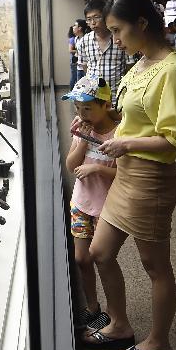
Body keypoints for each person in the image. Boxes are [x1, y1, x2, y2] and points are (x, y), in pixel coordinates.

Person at [82, 0, 176, 350]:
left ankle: (160, 345)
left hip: (151, 178)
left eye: (118, 30)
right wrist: (96, 121)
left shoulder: (172, 69)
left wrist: (127, 142)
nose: (114, 38)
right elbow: (129, 115)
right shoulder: (140, 64)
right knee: (100, 252)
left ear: (142, 25)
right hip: (127, 174)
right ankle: (120, 324)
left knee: (155, 265)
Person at [63, 74, 118, 332]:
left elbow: (125, 174)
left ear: (105, 105)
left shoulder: (119, 133)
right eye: (77, 108)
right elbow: (71, 165)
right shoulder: (82, 130)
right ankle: (93, 307)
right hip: (81, 203)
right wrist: (82, 142)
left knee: (103, 259)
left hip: (107, 208)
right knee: (81, 259)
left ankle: (113, 313)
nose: (81, 113)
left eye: (87, 107)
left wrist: (96, 170)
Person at [77, 0, 129, 107]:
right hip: (93, 99)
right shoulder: (84, 41)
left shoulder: (119, 39)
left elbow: (129, 66)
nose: (93, 22)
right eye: (89, 19)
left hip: (117, 97)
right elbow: (85, 66)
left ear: (105, 17)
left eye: (96, 17)